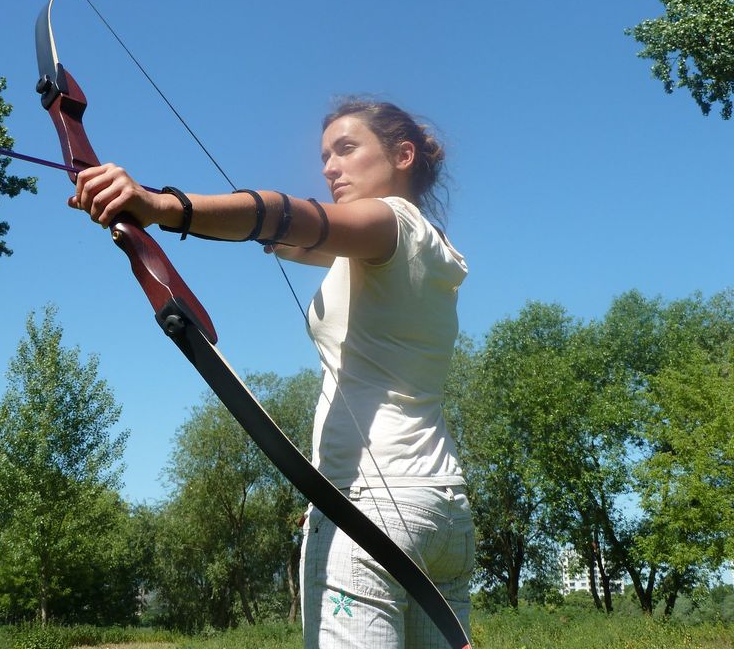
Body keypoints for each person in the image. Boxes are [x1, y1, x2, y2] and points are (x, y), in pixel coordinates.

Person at [68, 98, 474, 648]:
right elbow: (282, 235)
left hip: (368, 507)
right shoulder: (429, 248)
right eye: (325, 155)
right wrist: (141, 212)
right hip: (442, 511)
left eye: (347, 149)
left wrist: (159, 205)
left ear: (403, 155)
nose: (330, 167)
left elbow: (287, 216)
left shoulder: (389, 221)